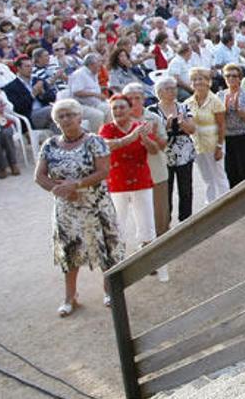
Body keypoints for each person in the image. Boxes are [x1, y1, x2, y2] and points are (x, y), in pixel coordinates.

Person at [34, 99, 124, 317]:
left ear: (79, 117)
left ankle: (109, 290)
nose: (65, 120)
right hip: (66, 207)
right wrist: (58, 190)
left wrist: (77, 185)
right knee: (69, 251)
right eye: (61, 116)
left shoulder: (95, 141)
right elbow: (39, 176)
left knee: (105, 248)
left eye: (69, 115)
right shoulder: (50, 144)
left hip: (95, 204)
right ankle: (70, 296)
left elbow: (103, 171)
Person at [99, 95, 163, 261]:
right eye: (114, 108)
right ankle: (116, 259)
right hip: (116, 182)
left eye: (122, 107)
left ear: (129, 109)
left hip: (140, 180)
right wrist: (131, 137)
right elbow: (106, 146)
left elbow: (155, 150)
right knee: (116, 222)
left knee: (146, 222)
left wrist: (144, 138)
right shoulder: (106, 129)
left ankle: (149, 258)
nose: (118, 111)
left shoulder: (140, 127)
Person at [123, 83, 171, 247]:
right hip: (133, 175)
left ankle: (163, 246)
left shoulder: (154, 118)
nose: (134, 102)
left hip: (156, 172)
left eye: (138, 98)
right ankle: (146, 248)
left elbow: (162, 146)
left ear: (143, 99)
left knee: (161, 213)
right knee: (140, 214)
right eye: (130, 99)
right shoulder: (119, 121)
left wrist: (152, 136)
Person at [149, 77, 196, 224]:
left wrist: (181, 124)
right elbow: (152, 133)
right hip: (164, 155)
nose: (172, 91)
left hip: (184, 154)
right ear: (160, 92)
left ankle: (186, 221)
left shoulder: (184, 107)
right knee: (165, 192)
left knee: (186, 189)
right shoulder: (152, 111)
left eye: (174, 88)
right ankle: (165, 223)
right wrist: (166, 126)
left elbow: (192, 129)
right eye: (168, 88)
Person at [185, 67, 230, 202]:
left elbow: (222, 125)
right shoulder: (188, 103)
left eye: (201, 79)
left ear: (207, 81)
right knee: (206, 178)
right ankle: (210, 204)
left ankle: (226, 203)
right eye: (194, 79)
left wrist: (219, 146)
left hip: (213, 143)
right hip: (197, 145)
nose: (198, 82)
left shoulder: (215, 101)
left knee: (219, 176)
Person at [217, 64, 245, 188]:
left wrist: (239, 111)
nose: (231, 78)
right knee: (231, 171)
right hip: (229, 138)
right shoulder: (220, 95)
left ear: (240, 78)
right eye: (227, 76)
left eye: (234, 76)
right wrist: (223, 111)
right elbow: (218, 120)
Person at [69, 53, 111, 132]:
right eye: (98, 64)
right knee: (98, 115)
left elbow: (91, 88)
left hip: (94, 103)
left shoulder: (93, 73)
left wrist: (103, 88)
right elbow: (77, 92)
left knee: (109, 108)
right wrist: (96, 94)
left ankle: (108, 134)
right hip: (80, 105)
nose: (100, 67)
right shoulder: (79, 74)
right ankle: (96, 138)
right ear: (91, 65)